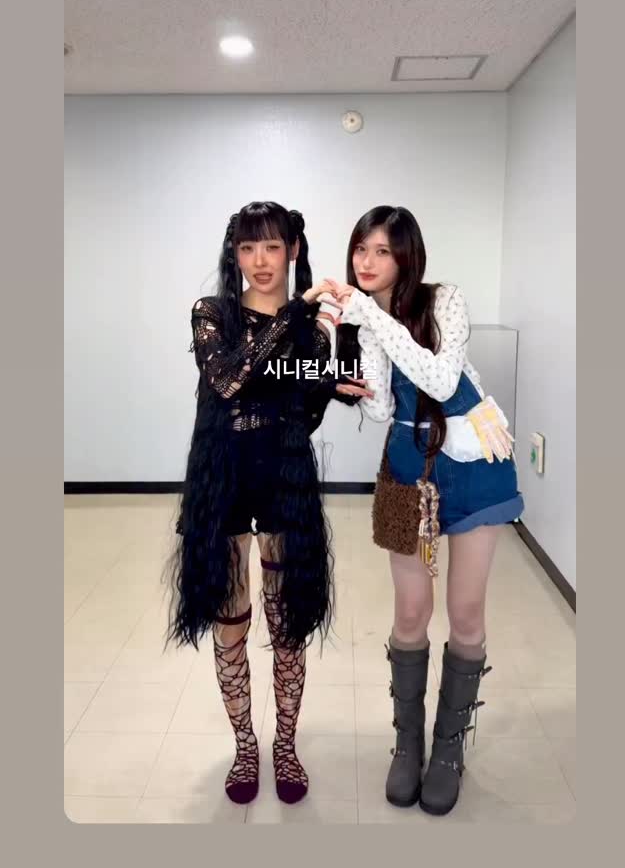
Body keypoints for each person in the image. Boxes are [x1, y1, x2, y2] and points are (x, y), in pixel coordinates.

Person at [166, 201, 370, 806]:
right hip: (221, 481)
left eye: (272, 247)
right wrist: (293, 314)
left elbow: (306, 413)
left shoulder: (310, 329)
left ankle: (285, 744)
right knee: (230, 625)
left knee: (287, 625)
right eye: (247, 247)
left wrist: (339, 351)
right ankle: (245, 748)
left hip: (284, 477)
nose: (260, 261)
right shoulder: (212, 314)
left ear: (293, 250)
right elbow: (229, 380)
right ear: (234, 254)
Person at [331, 205, 524, 816]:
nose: (366, 262)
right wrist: (352, 381)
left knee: (465, 612)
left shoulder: (446, 300)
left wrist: (370, 316)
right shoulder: (366, 317)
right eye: (360, 249)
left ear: (406, 256)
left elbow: (441, 380)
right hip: (407, 468)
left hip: (473, 467)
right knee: (411, 611)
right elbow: (385, 410)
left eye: (381, 251)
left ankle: (447, 750)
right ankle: (407, 744)